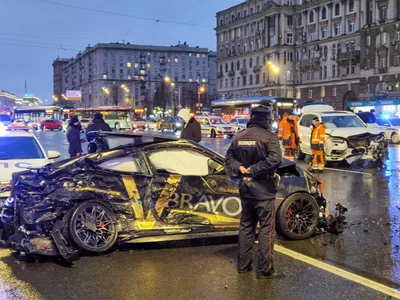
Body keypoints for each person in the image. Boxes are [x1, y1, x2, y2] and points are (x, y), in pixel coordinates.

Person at [225, 105, 284, 279]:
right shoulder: (269, 137)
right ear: (267, 119)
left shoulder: (239, 136)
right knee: (266, 228)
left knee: (246, 226)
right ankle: (265, 270)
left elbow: (229, 159)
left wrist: (241, 169)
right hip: (264, 189)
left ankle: (244, 266)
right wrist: (253, 170)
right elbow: (275, 159)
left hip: (245, 187)